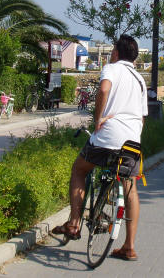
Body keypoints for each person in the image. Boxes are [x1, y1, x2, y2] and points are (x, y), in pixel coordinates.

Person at [52, 34, 148, 261]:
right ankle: (129, 246)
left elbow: (103, 90)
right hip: (132, 143)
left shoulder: (112, 69)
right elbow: (143, 117)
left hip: (107, 137)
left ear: (116, 53)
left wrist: (98, 119)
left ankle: (74, 224)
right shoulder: (140, 80)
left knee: (79, 170)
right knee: (130, 189)